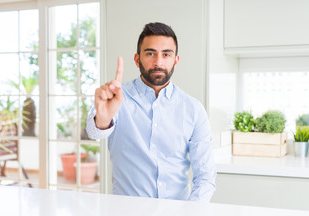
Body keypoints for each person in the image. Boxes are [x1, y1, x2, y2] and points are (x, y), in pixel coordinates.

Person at [86, 22, 215, 201]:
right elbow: (94, 133)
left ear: (175, 61)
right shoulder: (115, 98)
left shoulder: (193, 109)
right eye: (150, 53)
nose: (158, 62)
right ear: (137, 59)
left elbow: (205, 177)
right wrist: (102, 120)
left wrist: (190, 215)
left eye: (166, 54)